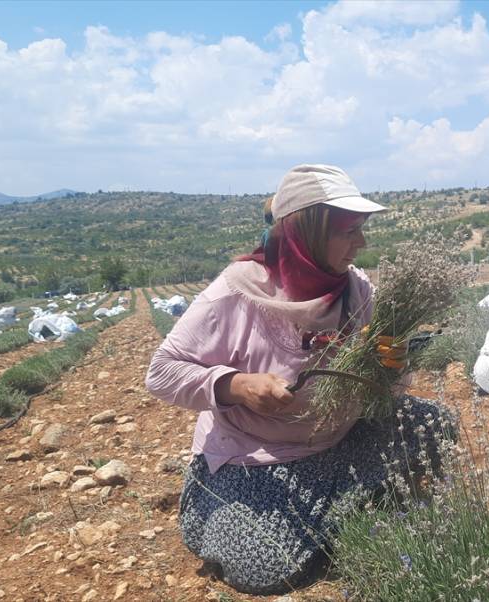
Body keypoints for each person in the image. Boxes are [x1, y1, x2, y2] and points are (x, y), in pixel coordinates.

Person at [145, 164, 450, 595]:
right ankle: (348, 503)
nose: (361, 242)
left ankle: (332, 508)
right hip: (261, 453)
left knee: (436, 423)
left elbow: (379, 390)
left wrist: (391, 368)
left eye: (361, 229)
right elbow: (161, 372)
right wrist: (237, 385)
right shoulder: (235, 292)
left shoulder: (356, 289)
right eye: (349, 230)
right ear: (306, 232)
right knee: (263, 566)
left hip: (338, 437)